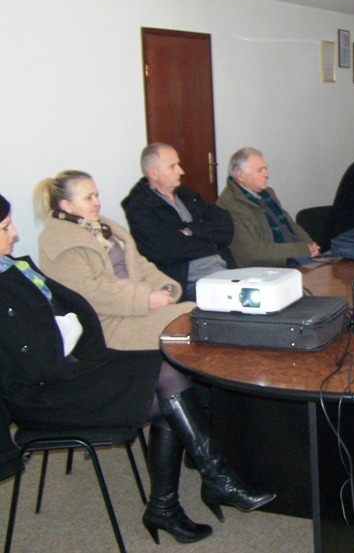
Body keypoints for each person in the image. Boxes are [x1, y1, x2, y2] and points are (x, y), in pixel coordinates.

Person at [0, 193, 275, 545]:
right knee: (168, 389)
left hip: (74, 366)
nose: (15, 232)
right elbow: (28, 353)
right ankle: (203, 486)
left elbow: (57, 314)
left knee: (169, 374)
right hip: (45, 393)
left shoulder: (12, 267)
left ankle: (181, 497)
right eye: (5, 227)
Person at [36, 170, 196, 351]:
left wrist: (164, 287)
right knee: (193, 323)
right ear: (66, 205)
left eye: (96, 195)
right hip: (106, 322)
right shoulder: (58, 240)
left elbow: (139, 263)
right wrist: (146, 299)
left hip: (133, 308)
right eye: (88, 198)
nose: (97, 203)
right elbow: (88, 292)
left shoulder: (102, 227)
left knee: (199, 316)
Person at [122, 142, 235, 301]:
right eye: (172, 166)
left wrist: (191, 231)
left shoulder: (186, 194)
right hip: (185, 279)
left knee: (264, 290)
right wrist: (212, 241)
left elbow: (226, 227)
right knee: (238, 300)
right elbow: (169, 250)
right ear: (154, 173)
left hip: (223, 267)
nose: (181, 171)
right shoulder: (139, 208)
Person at [216, 147, 320, 266]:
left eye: (266, 169)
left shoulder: (267, 193)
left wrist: (310, 244)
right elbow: (251, 252)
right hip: (269, 267)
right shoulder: (229, 205)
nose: (267, 175)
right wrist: (301, 249)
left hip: (294, 256)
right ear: (241, 176)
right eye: (260, 170)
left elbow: (289, 223)